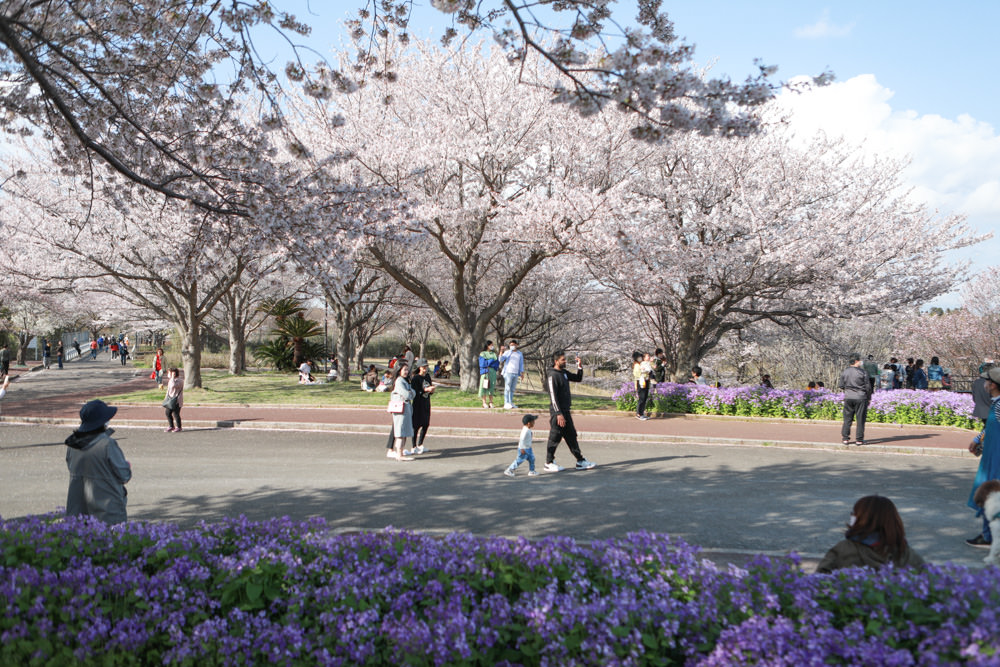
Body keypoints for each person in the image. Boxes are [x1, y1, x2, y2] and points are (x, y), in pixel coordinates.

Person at [815, 495, 925, 573]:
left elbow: (818, 583)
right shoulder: (906, 553)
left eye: (854, 513)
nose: (852, 516)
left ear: (860, 519)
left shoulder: (843, 549)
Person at [64, 400, 132, 524]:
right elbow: (124, 475)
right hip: (108, 509)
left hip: (78, 508)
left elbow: (72, 466)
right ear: (102, 422)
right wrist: (126, 466)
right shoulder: (107, 444)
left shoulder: (72, 445)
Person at [544, 350, 596, 472]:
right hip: (558, 413)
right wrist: (558, 413)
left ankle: (580, 460)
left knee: (571, 436)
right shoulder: (552, 375)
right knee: (555, 437)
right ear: (556, 361)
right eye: (563, 360)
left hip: (566, 411)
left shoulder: (564, 373)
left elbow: (577, 378)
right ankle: (549, 462)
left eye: (565, 359)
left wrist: (579, 366)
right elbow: (553, 396)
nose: (565, 361)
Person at [966, 366, 1000, 548]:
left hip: (996, 458)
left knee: (991, 494)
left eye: (987, 381)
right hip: (991, 455)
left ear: (993, 385)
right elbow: (990, 427)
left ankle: (989, 537)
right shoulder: (996, 402)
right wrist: (977, 438)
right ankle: (988, 535)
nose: (984, 384)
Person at [839, 353, 870, 446]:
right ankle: (859, 439)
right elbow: (868, 387)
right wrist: (869, 397)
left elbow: (841, 385)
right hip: (861, 397)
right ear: (856, 361)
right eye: (859, 360)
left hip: (848, 397)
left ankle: (845, 438)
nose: (861, 362)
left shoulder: (845, 372)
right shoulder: (863, 372)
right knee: (860, 419)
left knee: (847, 418)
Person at [407, 358, 435, 454]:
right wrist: (425, 390)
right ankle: (414, 446)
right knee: (416, 426)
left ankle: (420, 444)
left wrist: (431, 391)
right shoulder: (416, 378)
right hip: (418, 404)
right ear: (419, 367)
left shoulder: (427, 377)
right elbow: (415, 392)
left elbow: (429, 387)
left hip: (426, 403)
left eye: (426, 367)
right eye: (423, 367)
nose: (425, 369)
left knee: (426, 424)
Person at [389, 363, 416, 461]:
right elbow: (407, 394)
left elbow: (413, 393)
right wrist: (410, 393)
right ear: (399, 370)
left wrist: (410, 393)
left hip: (406, 408)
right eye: (404, 369)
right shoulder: (399, 381)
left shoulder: (405, 381)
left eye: (407, 370)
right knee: (400, 431)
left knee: (404, 431)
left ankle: (401, 452)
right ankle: (399, 454)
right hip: (401, 409)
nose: (406, 372)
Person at [499, 339, 525, 410]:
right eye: (510, 345)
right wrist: (501, 351)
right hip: (508, 372)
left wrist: (522, 373)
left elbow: (521, 363)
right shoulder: (508, 352)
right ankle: (506, 403)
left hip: (515, 373)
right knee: (507, 388)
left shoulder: (519, 353)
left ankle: (510, 402)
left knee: (512, 389)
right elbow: (500, 359)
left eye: (513, 345)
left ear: (516, 345)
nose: (512, 346)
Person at [478, 340, 500, 409]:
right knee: (484, 386)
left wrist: (489, 362)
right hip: (485, 372)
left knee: (491, 387)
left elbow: (496, 364)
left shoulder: (494, 354)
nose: (492, 346)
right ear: (487, 346)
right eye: (491, 345)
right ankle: (484, 403)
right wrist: (490, 361)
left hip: (492, 372)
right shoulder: (482, 354)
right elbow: (483, 364)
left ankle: (491, 402)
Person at [163, 368, 183, 432]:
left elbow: (173, 386)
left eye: (169, 373)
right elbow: (168, 390)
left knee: (176, 414)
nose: (168, 374)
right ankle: (171, 426)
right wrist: (166, 397)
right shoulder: (171, 380)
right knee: (168, 413)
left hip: (177, 400)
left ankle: (179, 427)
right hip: (170, 400)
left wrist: (172, 378)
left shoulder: (179, 380)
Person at [632, 351, 651, 421]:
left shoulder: (642, 364)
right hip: (640, 382)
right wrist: (643, 371)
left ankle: (642, 413)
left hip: (645, 381)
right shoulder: (637, 365)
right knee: (642, 398)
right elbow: (637, 374)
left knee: (645, 397)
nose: (640, 358)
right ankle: (638, 413)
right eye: (639, 357)